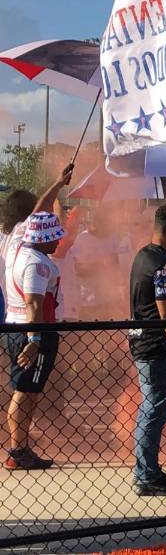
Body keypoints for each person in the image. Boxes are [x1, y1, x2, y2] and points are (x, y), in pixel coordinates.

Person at [3, 165, 73, 471]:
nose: (58, 242)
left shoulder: (14, 239)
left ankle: (22, 446)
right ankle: (18, 450)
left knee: (28, 390)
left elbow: (40, 209)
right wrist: (34, 339)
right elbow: (34, 303)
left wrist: (57, 184)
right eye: (54, 237)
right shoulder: (35, 261)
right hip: (31, 331)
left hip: (15, 324)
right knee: (24, 390)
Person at [127, 203, 166, 495]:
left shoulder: (144, 256)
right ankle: (147, 475)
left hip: (144, 343)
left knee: (150, 409)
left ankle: (146, 470)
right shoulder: (165, 265)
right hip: (160, 348)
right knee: (154, 411)